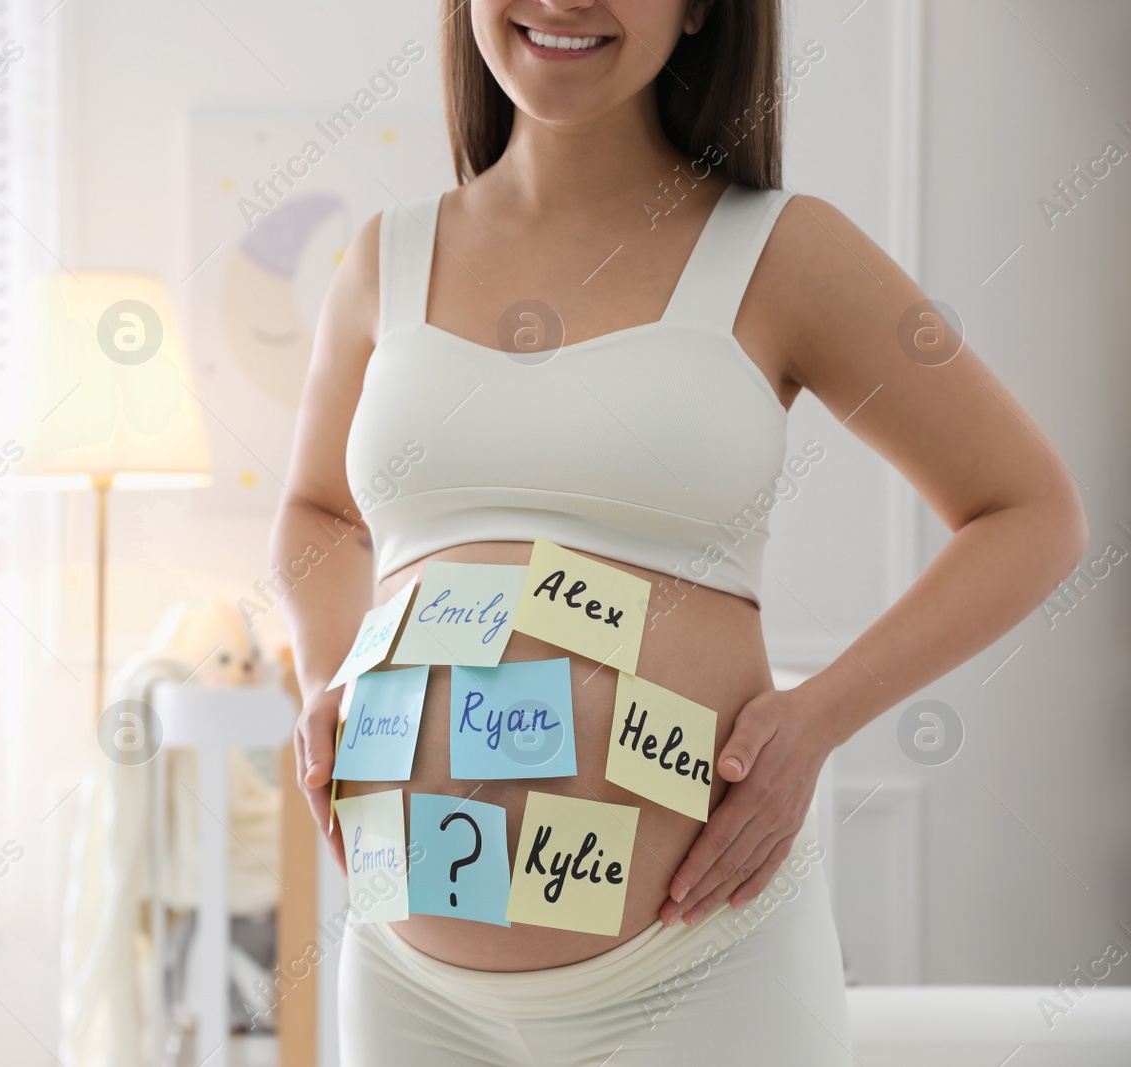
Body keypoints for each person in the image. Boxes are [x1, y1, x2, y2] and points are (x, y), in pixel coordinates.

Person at [268, 1, 1087, 1062]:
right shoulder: (386, 257)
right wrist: (328, 677)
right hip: (408, 978)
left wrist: (818, 717)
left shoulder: (781, 250)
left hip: (698, 968)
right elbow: (315, 511)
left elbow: (1030, 512)